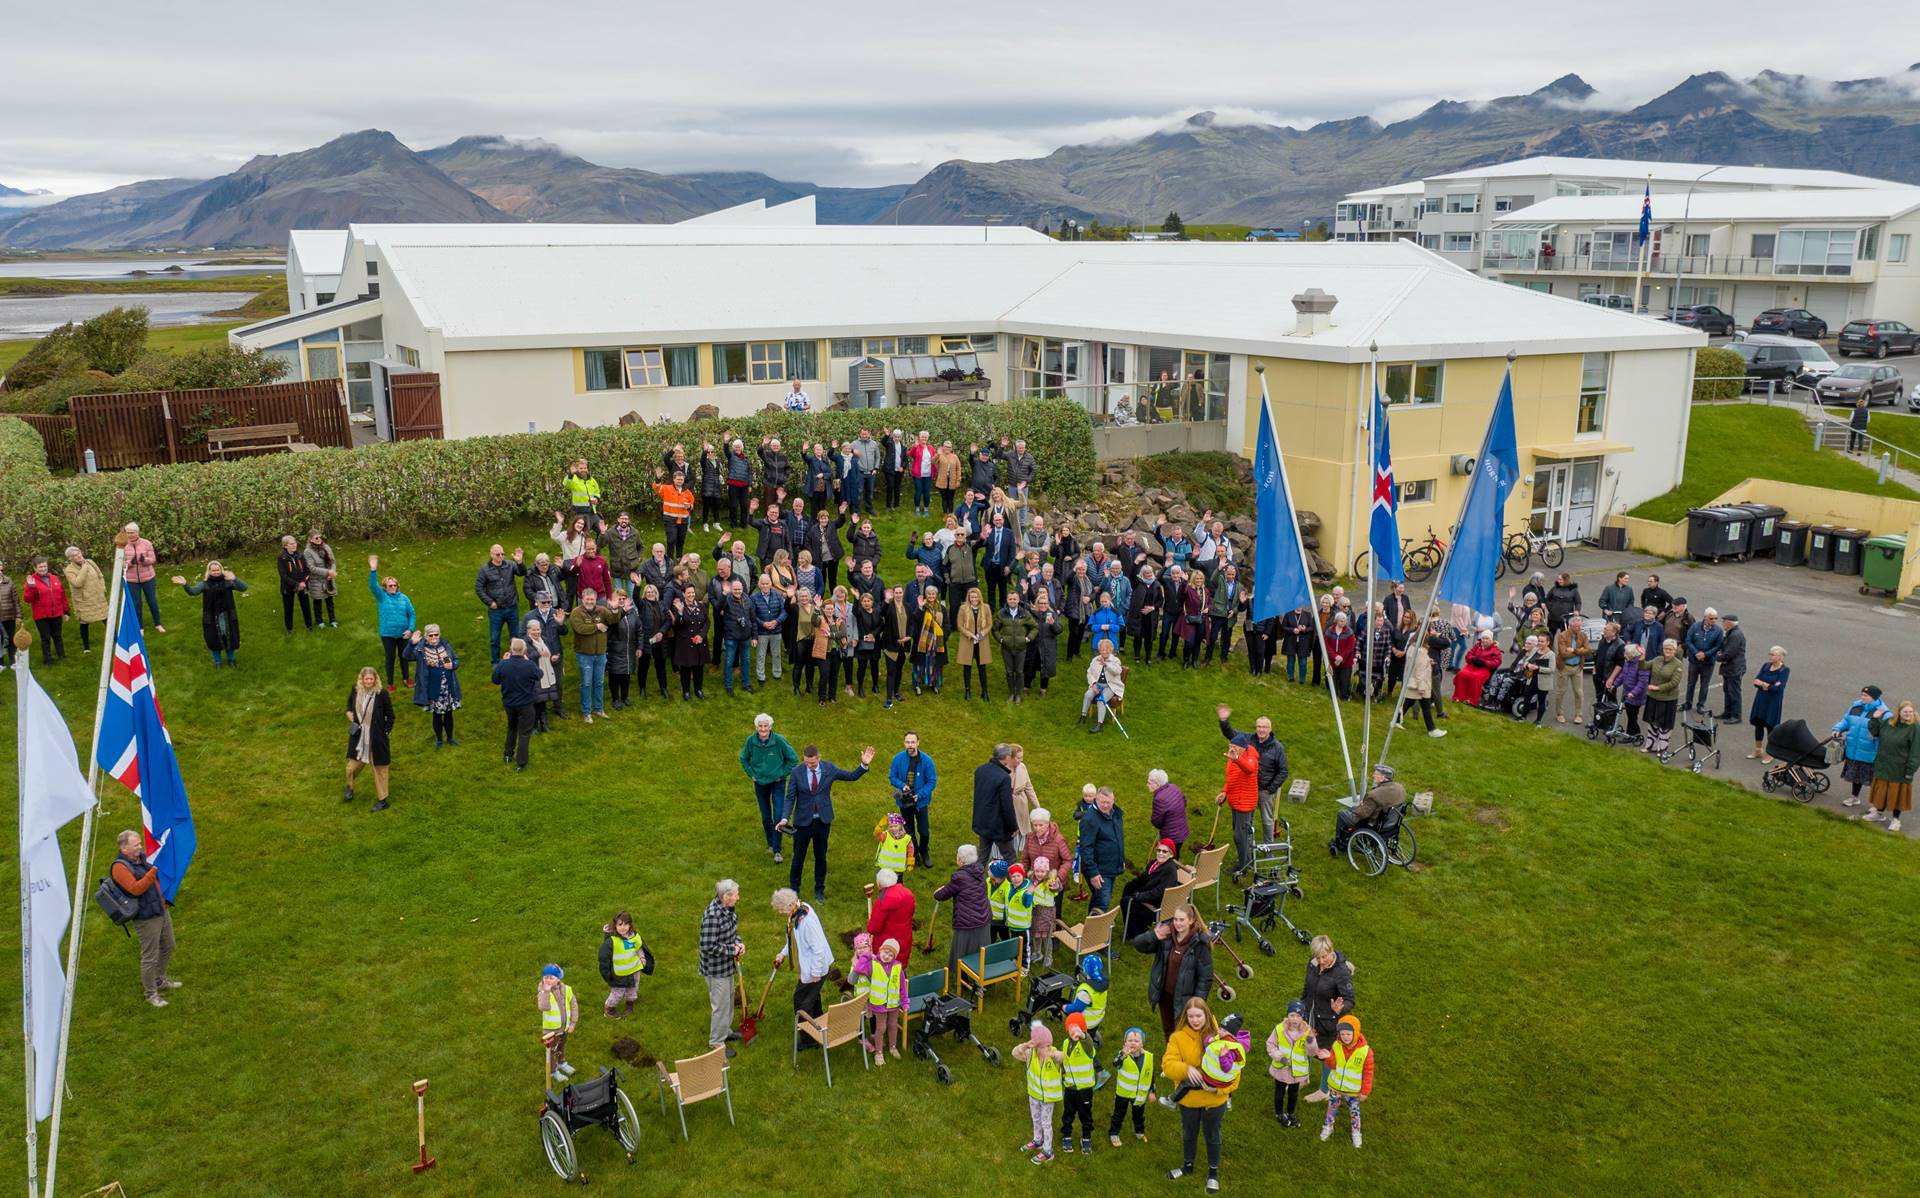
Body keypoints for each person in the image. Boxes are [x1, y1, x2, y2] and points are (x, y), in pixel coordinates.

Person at [778, 742, 876, 901]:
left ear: (819, 758)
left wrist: (864, 764)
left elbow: (850, 776)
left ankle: (819, 890)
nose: (809, 766)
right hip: (802, 822)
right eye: (806, 763)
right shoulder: (797, 772)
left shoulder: (829, 768)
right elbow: (790, 797)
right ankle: (794, 891)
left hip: (822, 822)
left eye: (813, 763)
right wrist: (784, 818)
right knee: (798, 857)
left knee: (821, 856)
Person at [1161, 996, 1235, 1188]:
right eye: (1191, 1016)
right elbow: (1168, 1065)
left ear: (1207, 1015)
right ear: (1185, 1017)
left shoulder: (1221, 1037)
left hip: (1214, 1100)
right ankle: (1188, 1166)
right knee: (1189, 1133)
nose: (1195, 1020)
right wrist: (1187, 1069)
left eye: (1198, 1015)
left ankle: (1213, 1173)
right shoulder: (1177, 1038)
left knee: (1212, 1135)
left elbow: (1234, 1072)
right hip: (1189, 1100)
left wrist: (1219, 1088)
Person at [109, 829, 178, 1007]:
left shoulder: (141, 858)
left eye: (140, 843)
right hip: (146, 917)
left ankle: (159, 980)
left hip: (160, 909)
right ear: (124, 849)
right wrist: (153, 871)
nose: (140, 846)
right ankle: (151, 994)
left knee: (169, 945)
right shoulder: (119, 868)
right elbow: (135, 888)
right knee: (150, 956)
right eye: (136, 844)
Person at [697, 880, 746, 1058]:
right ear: (726, 897)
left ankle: (726, 1031)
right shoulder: (712, 916)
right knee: (720, 1004)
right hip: (715, 969)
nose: (738, 897)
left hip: (727, 965)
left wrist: (738, 943)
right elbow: (707, 946)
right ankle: (716, 1041)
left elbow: (732, 931)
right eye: (735, 894)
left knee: (729, 999)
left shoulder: (727, 909)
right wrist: (731, 950)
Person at [771, 888, 833, 1024]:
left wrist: (816, 972)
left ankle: (808, 1039)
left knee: (801, 1001)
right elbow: (795, 940)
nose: (781, 913)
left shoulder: (805, 921)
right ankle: (818, 1026)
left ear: (791, 904)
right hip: (812, 966)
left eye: (781, 909)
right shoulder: (799, 911)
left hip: (815, 968)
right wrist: (783, 953)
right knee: (812, 997)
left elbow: (818, 949)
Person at [173, 561, 246, 667]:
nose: (216, 572)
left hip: (228, 616)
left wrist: (235, 578)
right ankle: (217, 662)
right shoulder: (205, 584)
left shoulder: (228, 582)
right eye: (213, 570)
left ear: (221, 570)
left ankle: (231, 660)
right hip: (211, 617)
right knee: (214, 640)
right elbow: (193, 592)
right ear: (209, 571)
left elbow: (244, 588)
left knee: (230, 638)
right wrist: (185, 584)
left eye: (218, 570)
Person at [1317, 1014, 1374, 1148]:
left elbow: (1368, 1073)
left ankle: (1356, 1132)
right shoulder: (1336, 1045)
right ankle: (1328, 1126)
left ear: (1356, 1032)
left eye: (1348, 1034)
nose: (1345, 1037)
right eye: (1342, 1034)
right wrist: (1328, 1057)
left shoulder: (1366, 1051)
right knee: (1332, 1108)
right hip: (1336, 1087)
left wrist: (1365, 1091)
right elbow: (1332, 1065)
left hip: (1353, 1091)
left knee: (1354, 1112)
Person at [344, 665, 396, 811]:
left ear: (375, 679)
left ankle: (383, 800)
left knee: (380, 769)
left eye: (371, 679)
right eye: (366, 679)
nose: (368, 681)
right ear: (362, 679)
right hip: (359, 737)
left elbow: (390, 716)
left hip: (377, 739)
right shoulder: (355, 690)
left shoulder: (382, 693)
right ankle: (349, 787)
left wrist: (384, 732)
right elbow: (349, 707)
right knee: (351, 767)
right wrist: (351, 717)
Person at [934, 843, 991, 975]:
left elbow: (943, 894)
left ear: (960, 860)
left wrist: (937, 893)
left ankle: (960, 974)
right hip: (983, 918)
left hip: (967, 921)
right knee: (979, 950)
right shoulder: (980, 871)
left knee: (962, 950)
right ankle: (979, 971)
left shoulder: (958, 877)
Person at [1013, 1019, 1065, 1165]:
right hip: (1034, 1095)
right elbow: (1015, 1053)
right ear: (1037, 1047)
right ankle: (1037, 1140)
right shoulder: (1030, 1055)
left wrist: (1053, 1055)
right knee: (1035, 1119)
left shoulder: (1054, 1055)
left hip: (1048, 1098)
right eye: (1045, 1046)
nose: (1048, 1048)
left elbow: (1062, 1057)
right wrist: (1025, 1045)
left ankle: (1048, 1150)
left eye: (1050, 1044)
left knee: (1046, 1122)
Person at [403, 625, 462, 747]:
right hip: (432, 688)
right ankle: (439, 740)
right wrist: (412, 643)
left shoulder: (445, 646)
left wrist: (453, 665)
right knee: (437, 715)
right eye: (431, 635)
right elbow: (406, 656)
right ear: (426, 636)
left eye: (436, 634)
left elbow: (455, 660)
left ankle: (450, 738)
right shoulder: (421, 649)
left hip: (448, 687)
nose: (434, 637)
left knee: (448, 714)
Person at [1865, 700, 1919, 832]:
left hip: (1900, 768)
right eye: (1905, 711)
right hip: (1883, 765)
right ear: (1899, 712)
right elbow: (1875, 731)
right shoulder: (1889, 723)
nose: (1908, 714)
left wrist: (1910, 769)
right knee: (1881, 792)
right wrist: (1875, 719)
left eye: (1910, 712)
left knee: (1897, 795)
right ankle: (1878, 814)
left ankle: (1896, 820)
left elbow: (1916, 751)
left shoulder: (1915, 728)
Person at [1835, 686, 1893, 805]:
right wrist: (1838, 728)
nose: (1862, 697)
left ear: (1874, 698)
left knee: (1874, 780)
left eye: (1866, 696)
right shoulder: (1855, 707)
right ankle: (1854, 797)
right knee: (1856, 776)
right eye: (1862, 695)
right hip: (1854, 749)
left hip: (1870, 752)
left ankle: (1877, 806)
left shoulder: (1884, 713)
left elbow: (1887, 733)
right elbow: (1846, 721)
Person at [366, 556, 417, 690]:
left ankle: (406, 679)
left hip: (403, 634)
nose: (393, 587)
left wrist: (410, 629)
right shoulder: (381, 597)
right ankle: (390, 683)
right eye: (390, 585)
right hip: (388, 634)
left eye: (395, 585)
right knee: (390, 658)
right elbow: (372, 585)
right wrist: (373, 570)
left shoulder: (404, 598)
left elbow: (412, 614)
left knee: (404, 656)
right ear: (385, 587)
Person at [1267, 1000, 1318, 1129]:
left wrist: (1311, 1041)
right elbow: (1270, 1045)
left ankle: (1291, 1113)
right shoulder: (1279, 1029)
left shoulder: (1307, 1032)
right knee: (1279, 1092)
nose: (1295, 1019)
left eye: (1298, 1016)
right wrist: (1280, 1057)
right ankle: (1279, 1114)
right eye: (1292, 1015)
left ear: (1303, 1017)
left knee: (1293, 1094)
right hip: (1281, 1069)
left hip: (1297, 1071)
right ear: (1287, 1016)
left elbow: (1311, 1052)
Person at [888, 732, 937, 863]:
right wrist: (902, 786)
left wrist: (919, 795)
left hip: (921, 802)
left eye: (913, 742)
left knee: (924, 831)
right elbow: (892, 777)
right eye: (908, 742)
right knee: (909, 831)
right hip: (904, 802)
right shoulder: (898, 759)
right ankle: (914, 855)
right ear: (904, 743)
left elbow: (932, 781)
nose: (910, 745)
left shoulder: (926, 760)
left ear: (918, 743)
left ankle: (924, 851)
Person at [492, 637, 540, 771]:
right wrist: (528, 661)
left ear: (511, 650)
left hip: (509, 704)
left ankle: (508, 754)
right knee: (524, 733)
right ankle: (521, 763)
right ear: (524, 650)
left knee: (511, 728)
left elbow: (495, 680)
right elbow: (539, 675)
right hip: (526, 704)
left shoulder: (503, 664)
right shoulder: (529, 665)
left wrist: (503, 661)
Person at [1333, 763, 1405, 852]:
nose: (1373, 775)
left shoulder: (1374, 795)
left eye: (1376, 774)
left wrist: (1359, 808)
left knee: (1342, 813)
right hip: (1391, 822)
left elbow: (1363, 814)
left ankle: (1340, 842)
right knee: (1353, 809)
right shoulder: (1400, 788)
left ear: (1383, 778)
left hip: (1374, 824)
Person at [1056, 1011, 1099, 1154]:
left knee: (1085, 1114)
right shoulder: (1066, 1043)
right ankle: (1066, 1135)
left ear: (1083, 1029)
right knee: (1068, 1114)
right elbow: (1064, 1062)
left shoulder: (1086, 1045)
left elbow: (1088, 1042)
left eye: (1077, 1027)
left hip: (1084, 1089)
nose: (1073, 1030)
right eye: (1070, 1027)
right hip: (1069, 1088)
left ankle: (1086, 1137)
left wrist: (1082, 1035)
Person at [566, 589, 612, 721]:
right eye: (587, 599)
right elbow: (580, 629)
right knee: (586, 683)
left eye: (592, 599)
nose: (590, 601)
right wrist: (597, 626)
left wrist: (615, 609)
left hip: (601, 653)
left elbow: (613, 620)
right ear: (582, 598)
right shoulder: (576, 612)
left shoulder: (602, 610)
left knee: (599, 682)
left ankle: (599, 709)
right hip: (584, 654)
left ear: (596, 599)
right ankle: (586, 711)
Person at [1079, 785, 1127, 912]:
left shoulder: (1115, 813)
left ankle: (1093, 926)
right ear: (1096, 800)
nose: (1105, 805)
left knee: (1099, 898)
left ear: (1113, 800)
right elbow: (1086, 848)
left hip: (1111, 866)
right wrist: (1093, 873)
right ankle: (1095, 930)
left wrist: (1120, 859)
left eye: (1108, 802)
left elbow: (1118, 839)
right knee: (1102, 903)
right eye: (1102, 802)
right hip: (1099, 871)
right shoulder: (1090, 819)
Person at [598, 911, 652, 1019]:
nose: (623, 927)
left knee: (633, 989)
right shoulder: (611, 941)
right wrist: (608, 975)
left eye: (626, 924)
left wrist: (642, 958)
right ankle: (609, 1009)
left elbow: (639, 948)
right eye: (620, 924)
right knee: (618, 993)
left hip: (634, 970)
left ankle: (630, 1005)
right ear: (615, 925)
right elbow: (604, 959)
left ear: (630, 925)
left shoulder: (634, 936)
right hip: (619, 973)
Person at [972, 743, 1019, 863]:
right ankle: (1014, 881)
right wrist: (1013, 827)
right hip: (998, 826)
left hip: (982, 821)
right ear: (1007, 758)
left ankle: (976, 881)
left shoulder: (980, 770)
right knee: (1010, 857)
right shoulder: (1003, 778)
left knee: (982, 857)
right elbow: (1007, 806)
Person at [1108, 1026, 1155, 1146]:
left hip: (1140, 1094)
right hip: (1123, 1093)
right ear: (1125, 1043)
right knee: (1119, 1114)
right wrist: (1123, 1054)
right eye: (1129, 1040)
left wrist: (1152, 1091)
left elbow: (1150, 1075)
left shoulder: (1148, 1057)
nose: (1133, 1043)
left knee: (1138, 1115)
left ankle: (1139, 1131)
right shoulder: (1122, 1055)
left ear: (1142, 1044)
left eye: (1136, 1041)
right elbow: (1115, 1064)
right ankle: (1114, 1133)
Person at [54, 547, 104, 655]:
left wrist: (102, 588)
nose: (79, 556)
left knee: (106, 618)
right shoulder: (69, 570)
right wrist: (84, 567)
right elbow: (77, 583)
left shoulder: (90, 562)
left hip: (98, 597)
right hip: (83, 600)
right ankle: (86, 647)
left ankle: (116, 639)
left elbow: (100, 575)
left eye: (79, 553)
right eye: (76, 555)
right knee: (84, 622)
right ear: (71, 558)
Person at [865, 869, 916, 971]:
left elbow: (874, 929)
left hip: (886, 946)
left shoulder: (882, 901)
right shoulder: (908, 894)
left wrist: (869, 924)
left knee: (885, 972)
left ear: (879, 884)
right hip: (904, 940)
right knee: (899, 968)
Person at [120, 522, 165, 633]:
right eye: (128, 532)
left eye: (132, 532)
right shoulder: (122, 545)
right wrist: (130, 562)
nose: (130, 535)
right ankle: (140, 627)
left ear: (137, 532)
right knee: (136, 603)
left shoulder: (146, 543)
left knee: (152, 601)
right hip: (132, 580)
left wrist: (144, 561)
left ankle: (158, 623)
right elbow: (120, 564)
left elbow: (153, 559)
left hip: (148, 578)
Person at [23, 557, 69, 665]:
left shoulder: (55, 578)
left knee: (57, 635)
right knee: (45, 638)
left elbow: (62, 596)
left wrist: (66, 611)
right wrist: (31, 587)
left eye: (45, 566)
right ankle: (48, 660)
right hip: (42, 615)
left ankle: (61, 655)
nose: (43, 569)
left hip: (57, 613)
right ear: (35, 568)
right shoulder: (31, 581)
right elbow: (27, 599)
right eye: (40, 567)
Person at [995, 589, 1038, 703]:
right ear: (1007, 600)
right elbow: (995, 629)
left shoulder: (1025, 613)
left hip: (1021, 648)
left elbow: (1035, 627)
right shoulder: (1001, 613)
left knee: (1019, 672)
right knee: (1009, 672)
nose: (1012, 601)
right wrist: (1001, 639)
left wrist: (1028, 638)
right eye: (1010, 599)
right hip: (1006, 648)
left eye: (1014, 599)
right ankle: (1011, 693)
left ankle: (1018, 694)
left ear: (1018, 600)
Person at [538, 965, 580, 1082]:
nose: (548, 980)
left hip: (564, 1027)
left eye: (551, 977)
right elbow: (543, 1007)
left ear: (558, 979)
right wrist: (546, 992)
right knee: (551, 1051)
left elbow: (574, 1006)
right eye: (545, 977)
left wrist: (572, 1023)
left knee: (561, 1046)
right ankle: (553, 1071)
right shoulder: (542, 991)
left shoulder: (567, 989)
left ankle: (562, 1062)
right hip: (551, 1030)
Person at [1748, 647, 1790, 762]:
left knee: (1771, 726)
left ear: (1780, 657)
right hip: (1761, 699)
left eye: (1773, 655)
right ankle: (1758, 749)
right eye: (1770, 654)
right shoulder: (1766, 666)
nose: (1770, 656)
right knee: (1758, 723)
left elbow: (1778, 688)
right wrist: (1766, 685)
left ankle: (1770, 753)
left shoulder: (1784, 670)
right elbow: (1756, 681)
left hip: (1773, 702)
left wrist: (1764, 684)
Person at [1644, 639, 1684, 752]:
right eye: (1666, 648)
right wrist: (1641, 658)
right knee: (1652, 722)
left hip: (1668, 699)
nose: (1668, 651)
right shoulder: (1657, 659)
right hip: (1653, 697)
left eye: (1670, 649)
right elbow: (1643, 667)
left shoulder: (1678, 664)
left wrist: (1658, 688)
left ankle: (1662, 750)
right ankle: (1650, 746)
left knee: (1664, 725)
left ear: (1675, 650)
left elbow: (1674, 682)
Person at [955, 586, 994, 700]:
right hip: (968, 641)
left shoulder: (986, 608)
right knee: (967, 666)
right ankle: (967, 691)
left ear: (979, 597)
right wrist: (970, 635)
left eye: (976, 596)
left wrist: (981, 635)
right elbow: (960, 625)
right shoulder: (963, 608)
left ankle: (985, 691)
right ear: (969, 597)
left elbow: (989, 624)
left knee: (982, 667)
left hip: (981, 641)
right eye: (972, 597)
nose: (974, 599)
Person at [1683, 608, 1724, 714]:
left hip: (1708, 663)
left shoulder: (1718, 631)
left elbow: (1718, 646)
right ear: (1705, 617)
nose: (1714, 620)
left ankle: (1701, 705)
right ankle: (1688, 703)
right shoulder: (1695, 627)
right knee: (1691, 683)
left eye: (1716, 618)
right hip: (1694, 661)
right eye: (1711, 618)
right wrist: (1696, 653)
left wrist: (1705, 654)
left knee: (1704, 685)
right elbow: (1688, 640)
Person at [1080, 639, 1126, 733]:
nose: (1104, 652)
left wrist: (1106, 665)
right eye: (1102, 650)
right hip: (1098, 684)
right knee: (1087, 695)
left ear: (1110, 650)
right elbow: (1089, 673)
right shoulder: (1095, 660)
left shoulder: (1115, 660)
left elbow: (1117, 671)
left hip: (1111, 686)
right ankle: (1083, 717)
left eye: (1106, 650)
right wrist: (1093, 684)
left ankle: (1099, 725)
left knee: (1101, 700)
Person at [1551, 614, 1590, 724]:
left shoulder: (1583, 635)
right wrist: (1579, 650)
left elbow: (1588, 650)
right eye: (1577, 626)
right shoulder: (1563, 635)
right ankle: (1560, 714)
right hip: (1564, 667)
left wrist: (1574, 650)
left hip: (1577, 668)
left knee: (1579, 692)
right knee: (1561, 692)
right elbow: (1563, 653)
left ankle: (1578, 715)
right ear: (1570, 626)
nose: (1579, 628)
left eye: (1580, 626)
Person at [274, 535, 313, 634]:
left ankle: (309, 626)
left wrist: (303, 582)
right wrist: (296, 585)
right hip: (288, 587)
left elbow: (307, 570)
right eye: (291, 544)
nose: (294, 545)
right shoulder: (281, 558)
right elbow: (283, 576)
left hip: (302, 585)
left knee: (306, 606)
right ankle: (289, 629)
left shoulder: (300, 555)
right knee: (288, 608)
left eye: (295, 543)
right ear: (285, 546)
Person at [1147, 769, 1191, 857]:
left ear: (1157, 784)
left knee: (1168, 858)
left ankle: (1172, 870)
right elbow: (1184, 802)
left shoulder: (1159, 799)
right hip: (1182, 830)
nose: (1147, 785)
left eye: (1149, 783)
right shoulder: (1174, 787)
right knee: (1175, 854)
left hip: (1171, 836)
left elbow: (1157, 821)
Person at [1452, 630, 1501, 705]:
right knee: (1461, 674)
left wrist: (1485, 663)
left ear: (1491, 640)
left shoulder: (1495, 650)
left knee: (1475, 678)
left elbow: (1496, 662)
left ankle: (1471, 700)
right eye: (1483, 638)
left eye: (1487, 638)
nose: (1484, 640)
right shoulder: (1477, 646)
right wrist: (1472, 659)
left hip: (1484, 668)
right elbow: (1468, 655)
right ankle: (1458, 697)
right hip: (1472, 666)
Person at [1716, 613, 1748, 723]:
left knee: (1734, 692)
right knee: (1727, 690)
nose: (1722, 624)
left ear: (1729, 623)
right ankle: (1728, 712)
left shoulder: (1735, 635)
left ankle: (1736, 716)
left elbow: (1729, 653)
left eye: (1724, 621)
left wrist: (1717, 656)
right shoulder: (1731, 633)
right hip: (1730, 667)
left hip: (1735, 668)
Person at [561, 457, 603, 532]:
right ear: (577, 469)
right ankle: (581, 543)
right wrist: (570, 474)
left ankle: (597, 544)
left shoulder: (591, 480)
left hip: (593, 512)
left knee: (603, 531)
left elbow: (597, 491)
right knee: (583, 534)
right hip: (581, 513)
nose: (583, 470)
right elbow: (566, 485)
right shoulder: (573, 479)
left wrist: (596, 498)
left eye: (585, 468)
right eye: (581, 468)